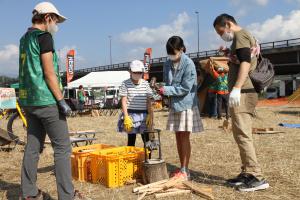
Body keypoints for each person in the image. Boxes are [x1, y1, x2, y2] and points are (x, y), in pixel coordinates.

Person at [18, 2, 89, 199]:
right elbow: (49, 73)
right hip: (46, 100)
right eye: (56, 20)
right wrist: (61, 100)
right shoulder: (44, 37)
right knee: (62, 147)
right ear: (48, 17)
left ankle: (29, 193)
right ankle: (67, 195)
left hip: (29, 101)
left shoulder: (24, 38)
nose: (56, 24)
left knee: (33, 147)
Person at [213, 13, 269, 192]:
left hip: (243, 92)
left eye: (221, 31)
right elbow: (243, 58)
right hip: (242, 92)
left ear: (228, 24)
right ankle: (247, 172)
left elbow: (245, 62)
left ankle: (257, 176)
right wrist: (228, 53)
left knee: (243, 134)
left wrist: (236, 87)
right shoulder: (241, 38)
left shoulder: (240, 35)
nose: (222, 35)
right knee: (239, 133)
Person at [158, 36, 204, 179]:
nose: (172, 56)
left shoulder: (188, 64)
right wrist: (162, 90)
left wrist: (167, 90)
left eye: (174, 53)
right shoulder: (167, 64)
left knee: (184, 136)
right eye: (170, 53)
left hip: (186, 104)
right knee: (178, 136)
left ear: (182, 49)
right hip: (174, 104)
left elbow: (185, 88)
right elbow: (167, 82)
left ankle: (185, 170)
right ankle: (181, 168)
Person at [117, 60, 153, 147]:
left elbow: (148, 101)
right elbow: (124, 101)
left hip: (144, 114)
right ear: (130, 71)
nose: (137, 74)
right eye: (135, 72)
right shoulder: (125, 84)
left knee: (147, 140)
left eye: (139, 72)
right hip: (131, 115)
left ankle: (147, 159)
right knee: (131, 140)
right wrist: (126, 116)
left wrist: (150, 115)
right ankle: (131, 159)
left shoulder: (145, 84)